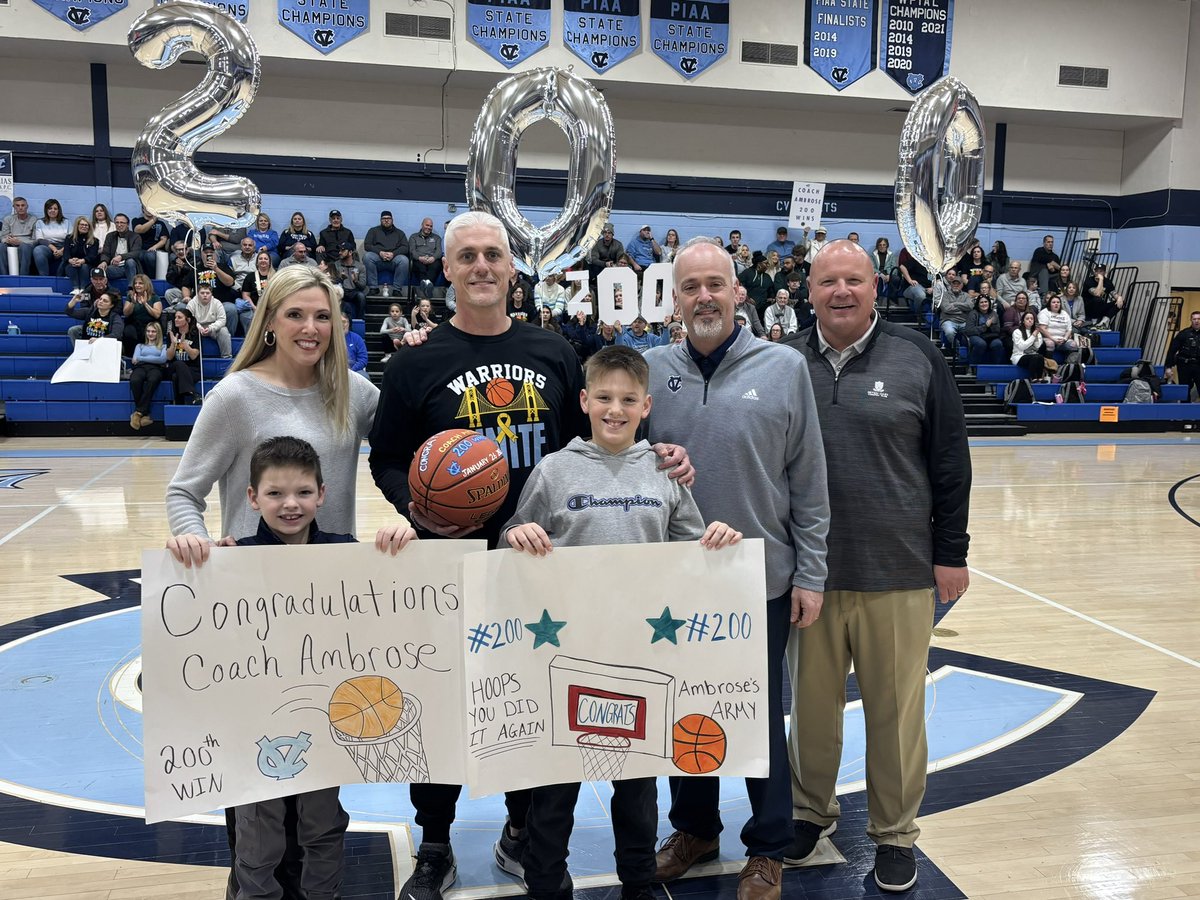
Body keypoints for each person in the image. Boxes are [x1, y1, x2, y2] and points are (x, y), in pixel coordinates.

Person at [368, 210, 691, 900]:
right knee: (446, 707)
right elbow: (388, 458)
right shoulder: (414, 361)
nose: (482, 266)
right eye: (468, 256)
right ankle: (435, 840)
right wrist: (418, 509)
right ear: (446, 269)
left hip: (544, 568)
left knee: (530, 710)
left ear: (512, 268)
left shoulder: (551, 350)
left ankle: (522, 830)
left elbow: (600, 437)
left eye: (494, 254)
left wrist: (659, 452)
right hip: (452, 564)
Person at [503, 345, 742, 900]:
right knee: (555, 787)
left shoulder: (663, 472)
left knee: (636, 787)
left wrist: (717, 542)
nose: (616, 409)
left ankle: (638, 881)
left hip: (638, 659)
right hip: (563, 660)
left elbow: (689, 550)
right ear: (585, 401)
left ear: (646, 404)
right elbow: (513, 539)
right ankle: (545, 883)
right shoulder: (554, 470)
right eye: (605, 398)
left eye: (628, 400)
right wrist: (516, 535)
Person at [781, 240, 970, 893]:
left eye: (853, 280)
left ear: (874, 286)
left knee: (895, 715)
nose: (841, 291)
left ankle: (894, 833)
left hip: (901, 570)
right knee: (810, 711)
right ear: (808, 291)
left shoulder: (916, 355)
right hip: (811, 577)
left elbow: (950, 460)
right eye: (828, 280)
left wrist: (953, 553)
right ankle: (809, 816)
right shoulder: (784, 363)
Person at [646, 238, 829, 900]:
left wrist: (811, 571)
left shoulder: (783, 367)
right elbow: (623, 466)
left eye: (714, 285)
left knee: (754, 714)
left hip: (761, 578)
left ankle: (768, 845)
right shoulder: (648, 370)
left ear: (738, 291)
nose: (703, 297)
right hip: (675, 581)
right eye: (690, 286)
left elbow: (809, 479)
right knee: (683, 711)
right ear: (675, 298)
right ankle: (694, 828)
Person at [167, 435, 414, 900]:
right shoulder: (228, 560)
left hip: (325, 723)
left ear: (322, 494)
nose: (290, 505)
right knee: (257, 834)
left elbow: (391, 600)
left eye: (303, 492)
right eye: (275, 493)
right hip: (253, 729)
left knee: (322, 826)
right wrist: (191, 556)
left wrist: (399, 541)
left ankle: (323, 895)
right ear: (252, 498)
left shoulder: (347, 553)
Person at [128, 320, 168, 429]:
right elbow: (134, 360)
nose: (150, 334)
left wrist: (141, 358)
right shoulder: (140, 346)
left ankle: (138, 413)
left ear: (158, 333)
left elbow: (162, 359)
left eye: (153, 331)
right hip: (140, 368)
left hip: (156, 369)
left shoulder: (163, 346)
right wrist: (151, 359)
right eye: (148, 331)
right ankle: (144, 413)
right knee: (135, 380)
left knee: (153, 379)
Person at [363, 210, 409, 295]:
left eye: (388, 218)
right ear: (380, 220)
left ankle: (397, 290)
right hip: (378, 259)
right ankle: (373, 288)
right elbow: (367, 245)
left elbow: (405, 247)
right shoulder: (373, 231)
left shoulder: (400, 233)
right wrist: (380, 252)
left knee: (404, 260)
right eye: (384, 218)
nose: (386, 220)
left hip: (394, 260)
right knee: (367, 257)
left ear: (392, 220)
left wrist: (393, 254)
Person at [166, 307, 204, 405]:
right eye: (175, 317)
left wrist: (184, 344)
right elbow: (169, 357)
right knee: (178, 363)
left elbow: (194, 356)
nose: (176, 319)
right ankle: (193, 395)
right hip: (174, 366)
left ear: (188, 320)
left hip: (192, 369)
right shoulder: (172, 334)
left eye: (179, 317)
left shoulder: (195, 334)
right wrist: (174, 344)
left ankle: (179, 404)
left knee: (176, 377)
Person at [121, 273, 164, 357]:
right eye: (135, 283)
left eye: (140, 283)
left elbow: (157, 315)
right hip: (134, 323)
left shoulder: (155, 297)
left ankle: (146, 355)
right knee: (129, 331)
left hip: (150, 323)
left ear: (146, 285)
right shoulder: (130, 296)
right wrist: (133, 303)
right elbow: (126, 313)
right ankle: (131, 356)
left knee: (149, 330)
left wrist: (145, 304)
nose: (137, 285)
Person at [188, 285, 233, 359]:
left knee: (223, 330)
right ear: (197, 293)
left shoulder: (217, 303)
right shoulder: (191, 303)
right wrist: (199, 327)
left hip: (213, 327)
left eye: (207, 293)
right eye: (202, 293)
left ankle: (226, 357)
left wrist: (210, 328)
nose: (205, 295)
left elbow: (222, 320)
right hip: (196, 328)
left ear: (211, 294)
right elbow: (189, 319)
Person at [1165, 310, 1200, 401]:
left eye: (1199, 319)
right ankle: (1185, 413)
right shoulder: (1184, 333)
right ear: (1191, 320)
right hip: (1185, 365)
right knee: (1184, 391)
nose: (1197, 321)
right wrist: (1168, 367)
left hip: (1199, 365)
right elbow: (1172, 350)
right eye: (1194, 319)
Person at [100, 213, 143, 285]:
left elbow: (136, 253)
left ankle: (131, 288)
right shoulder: (110, 236)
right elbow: (106, 253)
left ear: (127, 224)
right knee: (102, 271)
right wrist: (104, 261)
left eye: (122, 222)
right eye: (117, 222)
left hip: (130, 266)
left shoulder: (135, 236)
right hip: (116, 267)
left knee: (130, 261)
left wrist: (121, 257)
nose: (119, 225)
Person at [0, 196, 38, 275]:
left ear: (27, 206)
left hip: (26, 244)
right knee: (1, 246)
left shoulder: (34, 220)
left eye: (23, 205)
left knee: (24, 247)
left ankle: (23, 276)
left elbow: (35, 240)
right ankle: (4, 276)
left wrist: (20, 242)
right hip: (10, 243)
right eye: (17, 205)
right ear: (14, 207)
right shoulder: (8, 219)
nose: (20, 208)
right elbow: (3, 237)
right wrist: (8, 240)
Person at [963, 295, 1005, 366]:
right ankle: (972, 366)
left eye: (986, 302)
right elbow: (969, 330)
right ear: (978, 304)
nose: (984, 304)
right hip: (976, 336)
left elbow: (997, 330)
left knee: (998, 344)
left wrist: (991, 326)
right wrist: (985, 326)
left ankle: (995, 367)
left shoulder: (993, 314)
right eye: (981, 302)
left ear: (989, 303)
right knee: (981, 344)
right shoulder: (973, 313)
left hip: (991, 336)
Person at [33, 199, 69, 276]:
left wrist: (62, 250)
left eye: (55, 209)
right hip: (48, 247)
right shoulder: (40, 222)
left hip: (64, 247)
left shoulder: (66, 222)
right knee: (38, 250)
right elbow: (40, 239)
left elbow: (71, 239)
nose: (53, 211)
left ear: (59, 210)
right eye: (50, 208)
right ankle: (44, 278)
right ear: (46, 210)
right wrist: (54, 249)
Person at [409, 217, 444, 298]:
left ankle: (425, 283)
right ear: (422, 225)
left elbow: (439, 251)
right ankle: (428, 285)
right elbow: (412, 250)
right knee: (419, 266)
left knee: (436, 265)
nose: (429, 227)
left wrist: (433, 258)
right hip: (418, 260)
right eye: (427, 225)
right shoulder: (414, 237)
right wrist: (419, 257)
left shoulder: (437, 238)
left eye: (431, 226)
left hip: (432, 260)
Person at [63, 217, 101, 290]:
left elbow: (92, 256)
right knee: (72, 266)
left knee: (84, 267)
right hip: (71, 263)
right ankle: (76, 288)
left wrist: (82, 261)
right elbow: (66, 254)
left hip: (87, 265)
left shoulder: (94, 241)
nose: (84, 227)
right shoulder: (69, 238)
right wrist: (71, 260)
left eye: (86, 225)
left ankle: (84, 289)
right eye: (81, 224)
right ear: (77, 226)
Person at [332, 241, 367, 319]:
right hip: (341, 290)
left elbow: (362, 286)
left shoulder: (360, 266)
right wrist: (341, 279)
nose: (340, 252)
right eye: (339, 250)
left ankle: (360, 320)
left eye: (343, 250)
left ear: (350, 252)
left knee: (361, 296)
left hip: (353, 292)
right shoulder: (336, 265)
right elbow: (333, 282)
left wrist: (356, 281)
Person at [1037, 293, 1078, 359]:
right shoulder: (1044, 312)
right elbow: (1042, 328)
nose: (1056, 304)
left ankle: (1069, 366)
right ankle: (1048, 365)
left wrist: (1065, 339)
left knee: (1073, 345)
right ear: (1049, 304)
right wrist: (1053, 339)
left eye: (1058, 302)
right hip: (1048, 338)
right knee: (1050, 344)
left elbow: (1069, 329)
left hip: (1062, 340)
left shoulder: (1064, 313)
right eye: (1053, 302)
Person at [1011, 310, 1047, 381]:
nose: (1030, 320)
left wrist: (1036, 336)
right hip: (1019, 356)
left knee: (1040, 357)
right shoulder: (1017, 332)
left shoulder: (1037, 333)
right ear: (1023, 321)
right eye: (1027, 319)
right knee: (1034, 357)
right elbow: (1022, 346)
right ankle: (1033, 378)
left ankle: (1039, 378)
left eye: (1032, 319)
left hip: (1033, 354)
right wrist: (1033, 336)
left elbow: (1037, 347)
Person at [342, 311, 368, 376]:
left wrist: (351, 370)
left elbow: (363, 359)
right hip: (333, 371)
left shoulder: (357, 338)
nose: (341, 325)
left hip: (354, 371)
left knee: (365, 376)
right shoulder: (329, 338)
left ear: (349, 323)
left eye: (344, 322)